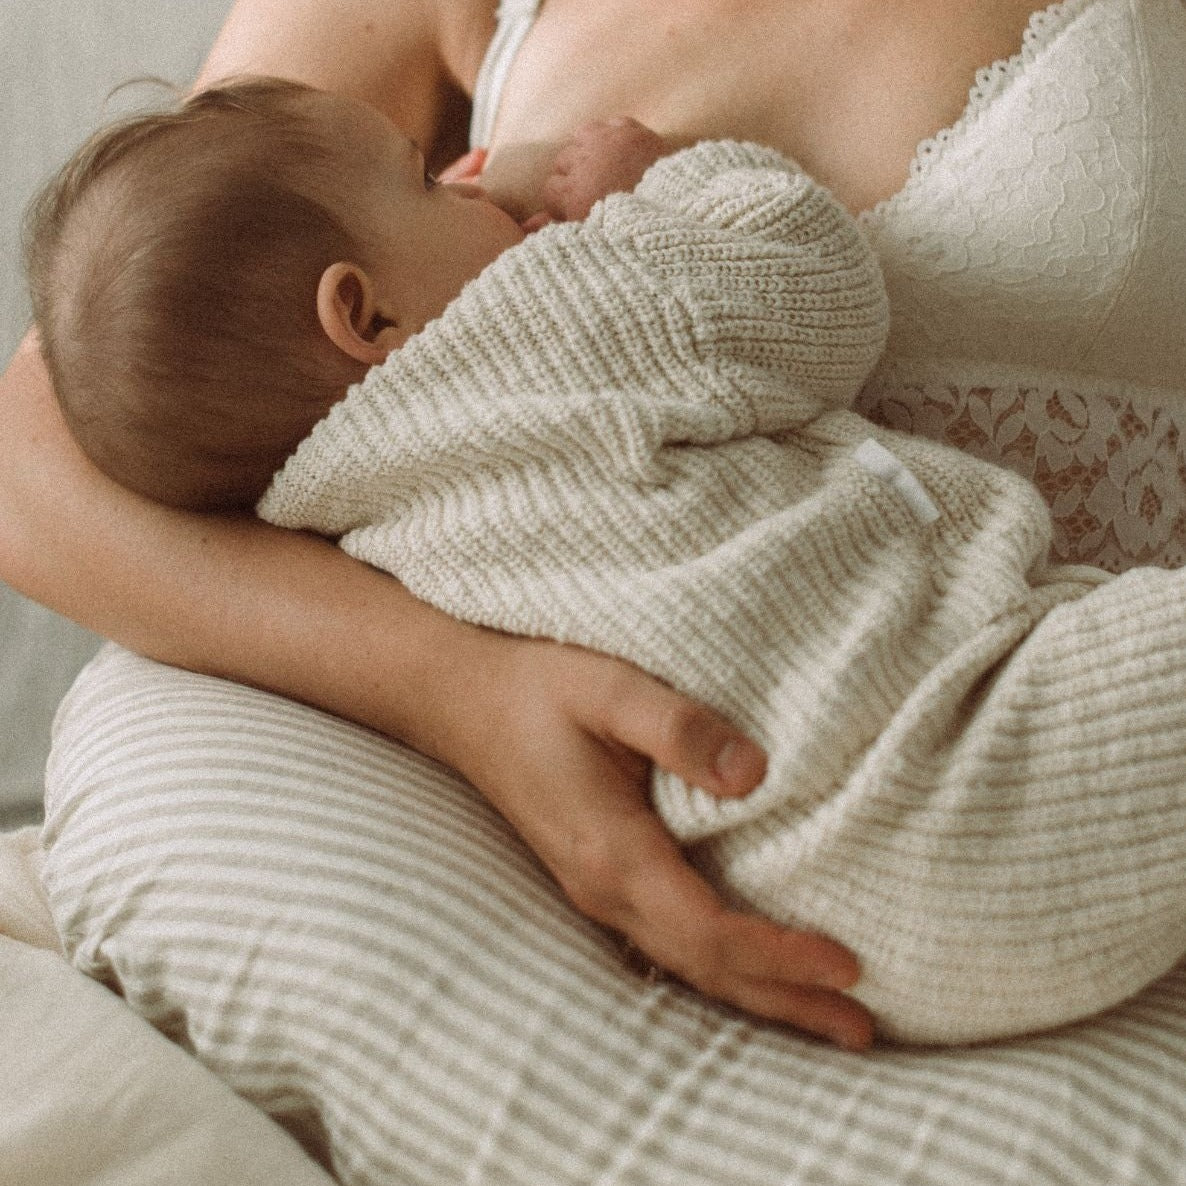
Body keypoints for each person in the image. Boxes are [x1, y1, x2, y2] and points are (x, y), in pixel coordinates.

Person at [3, 0, 1184, 1051]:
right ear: (364, 314)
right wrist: (456, 688)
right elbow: (37, 443)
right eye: (430, 179)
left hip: (826, 862)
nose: (472, 181)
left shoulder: (365, 481)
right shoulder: (557, 317)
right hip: (970, 746)